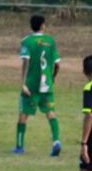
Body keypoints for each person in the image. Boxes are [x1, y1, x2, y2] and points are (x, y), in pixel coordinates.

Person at [13, 14, 62, 156]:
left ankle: (19, 146)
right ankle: (56, 141)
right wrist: (52, 77)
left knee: (24, 114)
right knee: (50, 113)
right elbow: (57, 64)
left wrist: (23, 84)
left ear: (31, 26)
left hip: (31, 85)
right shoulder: (50, 41)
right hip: (46, 84)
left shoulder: (26, 41)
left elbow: (26, 62)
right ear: (42, 26)